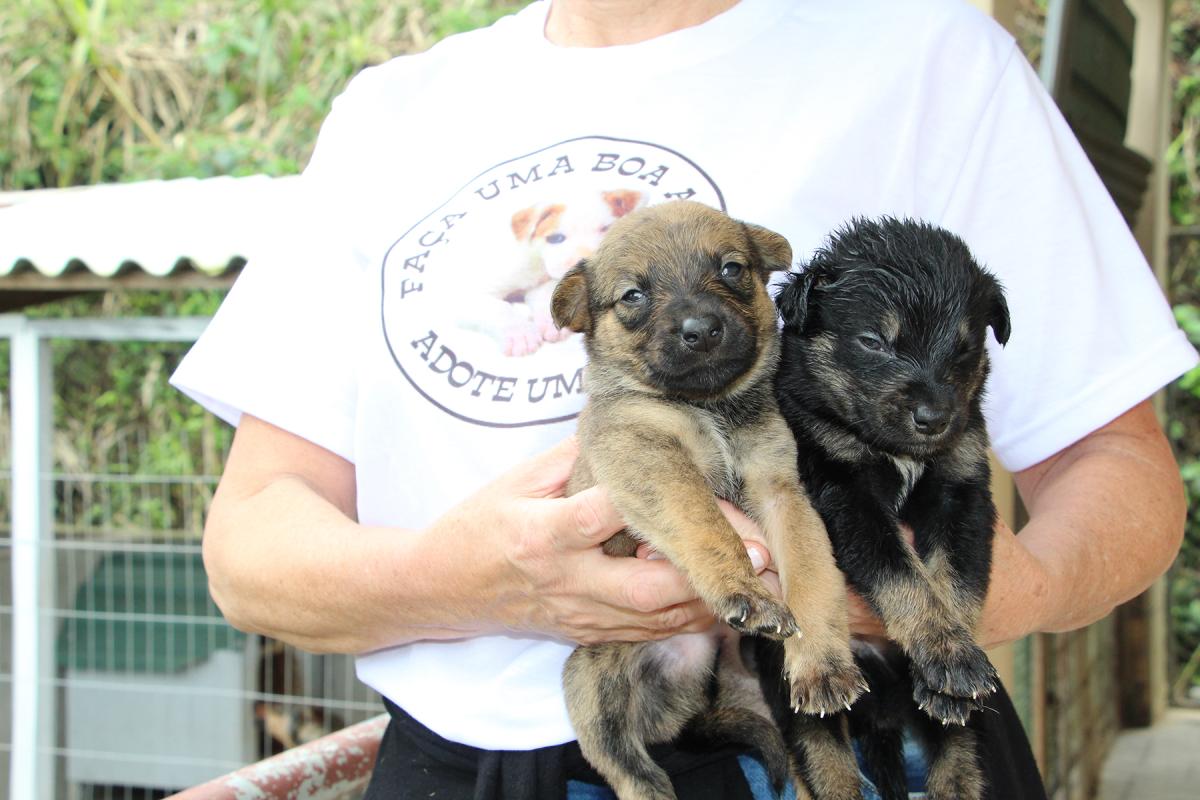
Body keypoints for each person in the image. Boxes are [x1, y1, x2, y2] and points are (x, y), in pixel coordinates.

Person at [171, 0, 1197, 797]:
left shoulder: (927, 62)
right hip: (461, 764)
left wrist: (987, 596)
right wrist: (466, 579)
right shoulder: (391, 115)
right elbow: (252, 544)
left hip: (843, 737)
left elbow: (1122, 470)